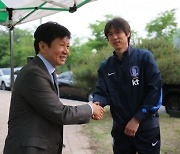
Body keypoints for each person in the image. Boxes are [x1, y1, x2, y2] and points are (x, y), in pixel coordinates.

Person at [3, 22, 104, 154]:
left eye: (68, 46)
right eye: (61, 45)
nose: (66, 51)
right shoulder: (33, 73)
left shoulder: (47, 72)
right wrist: (90, 109)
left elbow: (52, 108)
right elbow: (60, 113)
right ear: (43, 46)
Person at [93, 17, 162, 154]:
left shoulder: (144, 57)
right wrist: (96, 105)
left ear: (128, 33)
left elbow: (155, 91)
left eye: (118, 32)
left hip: (146, 129)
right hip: (121, 131)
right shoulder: (105, 67)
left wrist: (137, 119)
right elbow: (102, 92)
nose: (115, 37)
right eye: (110, 34)